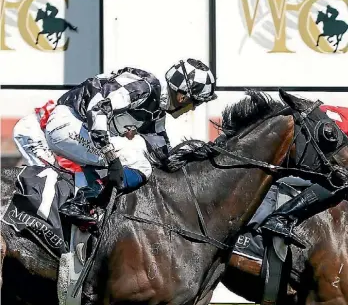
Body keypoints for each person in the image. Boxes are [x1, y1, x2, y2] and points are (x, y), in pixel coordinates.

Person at [13, 58, 216, 225]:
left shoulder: (156, 113)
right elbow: (98, 110)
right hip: (67, 124)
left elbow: (162, 154)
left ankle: (85, 202)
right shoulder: (145, 88)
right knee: (139, 161)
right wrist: (112, 159)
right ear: (182, 97)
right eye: (195, 102)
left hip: (77, 128)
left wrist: (199, 158)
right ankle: (82, 202)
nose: (193, 108)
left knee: (143, 155)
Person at [260, 84, 348, 247]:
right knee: (342, 184)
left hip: (287, 163)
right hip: (280, 166)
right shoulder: (347, 126)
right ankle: (281, 217)